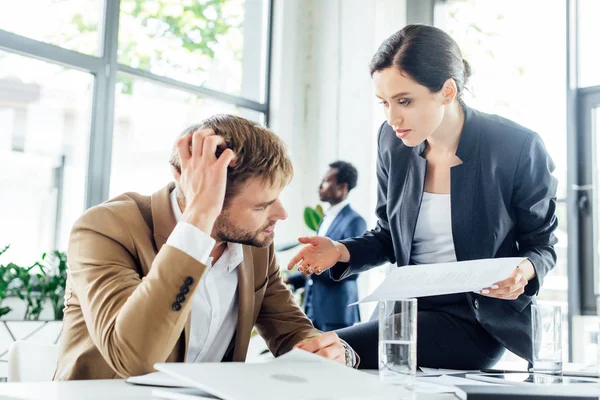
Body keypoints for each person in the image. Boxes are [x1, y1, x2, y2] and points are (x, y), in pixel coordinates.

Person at [287, 24, 558, 370]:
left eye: (404, 101)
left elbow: (543, 244)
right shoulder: (391, 141)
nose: (392, 117)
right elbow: (387, 236)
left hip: (476, 319)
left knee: (325, 355)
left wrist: (525, 270)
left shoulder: (517, 147)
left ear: (447, 91)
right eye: (384, 103)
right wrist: (339, 251)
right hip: (404, 310)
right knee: (318, 353)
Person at [54, 115, 357, 380]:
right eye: (262, 206)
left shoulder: (254, 244)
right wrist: (197, 219)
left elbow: (290, 330)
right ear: (202, 193)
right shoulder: (105, 228)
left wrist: (328, 350)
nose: (281, 215)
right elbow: (135, 359)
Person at [286, 161, 367, 331]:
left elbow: (351, 270)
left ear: (342, 187)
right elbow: (320, 260)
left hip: (336, 312)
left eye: (326, 181)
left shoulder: (354, 221)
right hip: (312, 309)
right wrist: (289, 279)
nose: (320, 186)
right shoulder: (325, 219)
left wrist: (312, 269)